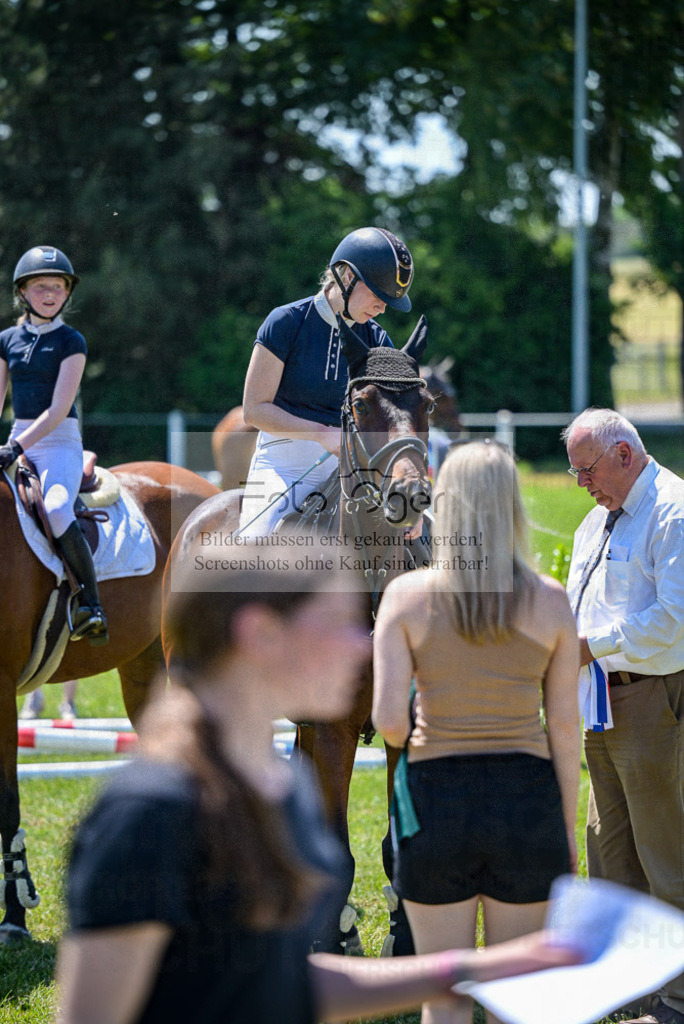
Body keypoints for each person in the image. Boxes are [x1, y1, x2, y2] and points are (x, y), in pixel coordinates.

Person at [56, 537, 583, 1024]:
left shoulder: (284, 786)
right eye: (338, 621)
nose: (364, 645)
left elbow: (280, 978)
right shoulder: (149, 814)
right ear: (261, 633)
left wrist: (473, 970)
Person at [372, 440, 581, 1024]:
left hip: (437, 803)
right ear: (512, 507)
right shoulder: (551, 601)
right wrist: (563, 826)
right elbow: (564, 727)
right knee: (523, 1003)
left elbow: (389, 723)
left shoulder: (406, 597)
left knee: (446, 1002)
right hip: (527, 802)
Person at [562, 407, 684, 1024]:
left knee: (666, 852)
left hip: (653, 697)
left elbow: (676, 618)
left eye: (587, 470)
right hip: (601, 702)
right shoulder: (595, 520)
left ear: (625, 455)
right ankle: (637, 987)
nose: (582, 483)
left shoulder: (675, 512)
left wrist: (590, 647)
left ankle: (679, 1000)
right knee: (611, 850)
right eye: (576, 472)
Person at [238, 225, 418, 538]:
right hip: (284, 465)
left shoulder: (379, 341)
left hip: (354, 470)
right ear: (347, 277)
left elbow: (393, 421)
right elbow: (254, 409)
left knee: (425, 539)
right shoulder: (286, 322)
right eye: (377, 294)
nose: (382, 307)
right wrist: (321, 433)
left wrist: (407, 494)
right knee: (256, 540)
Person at [0, 245, 107, 645]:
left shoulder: (71, 341)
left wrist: (15, 447)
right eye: (40, 286)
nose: (49, 293)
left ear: (67, 294)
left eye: (58, 286)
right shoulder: (6, 339)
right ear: (23, 293)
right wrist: (9, 444)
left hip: (57, 442)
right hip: (18, 438)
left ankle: (91, 604)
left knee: (58, 506)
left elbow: (60, 409)